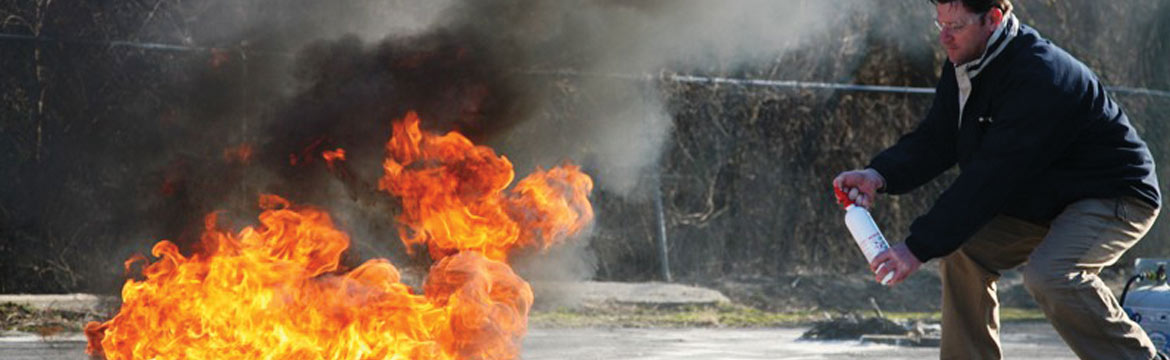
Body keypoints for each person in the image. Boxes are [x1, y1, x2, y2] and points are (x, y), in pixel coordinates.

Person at [832, 0, 1163, 358]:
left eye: (955, 26)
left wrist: (916, 247)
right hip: (1046, 199)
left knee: (1050, 273)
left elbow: (991, 177)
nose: (944, 37)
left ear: (993, 18)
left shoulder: (1040, 75)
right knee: (963, 250)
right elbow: (939, 139)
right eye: (939, 24)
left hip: (1114, 194)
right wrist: (878, 174)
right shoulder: (967, 65)